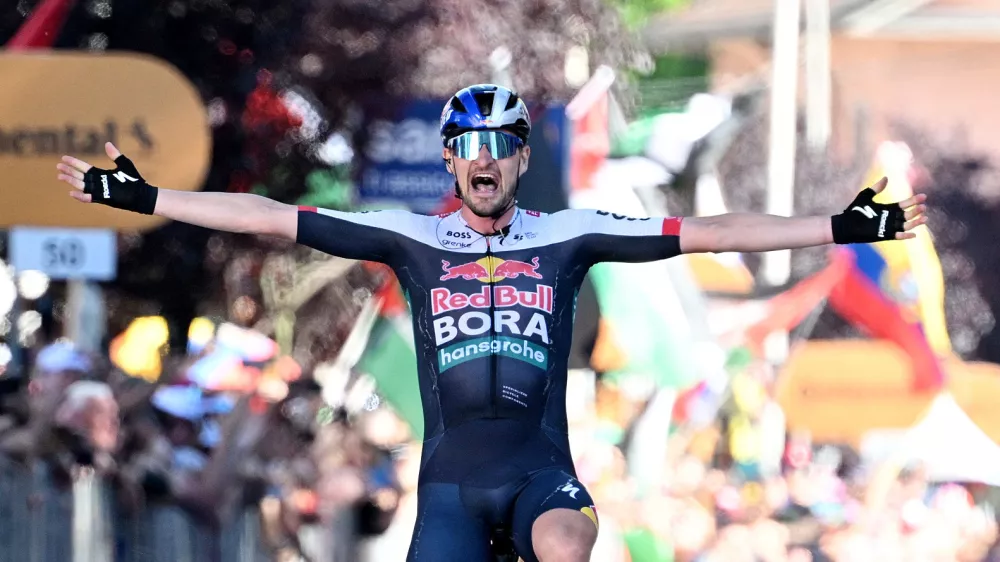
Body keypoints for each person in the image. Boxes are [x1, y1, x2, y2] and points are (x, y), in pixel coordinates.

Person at [55, 84, 927, 562]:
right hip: (448, 492)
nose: (482, 162)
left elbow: (714, 231)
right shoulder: (410, 236)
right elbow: (265, 214)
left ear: (517, 159)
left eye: (499, 147)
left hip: (541, 476)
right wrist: (149, 198)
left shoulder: (569, 233)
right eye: (466, 148)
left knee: (565, 545)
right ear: (450, 159)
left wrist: (839, 227)